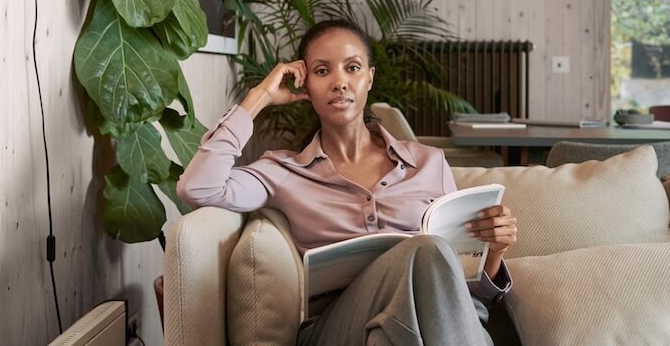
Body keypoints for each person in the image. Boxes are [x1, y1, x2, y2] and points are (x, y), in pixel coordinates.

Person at [178, 19, 518, 345]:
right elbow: (197, 187)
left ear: (369, 78)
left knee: (394, 331)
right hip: (337, 330)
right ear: (305, 85)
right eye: (322, 71)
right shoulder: (283, 171)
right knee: (427, 250)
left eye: (352, 68)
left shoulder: (429, 163)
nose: (339, 82)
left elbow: (465, 292)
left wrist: (494, 251)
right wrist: (259, 97)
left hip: (423, 329)